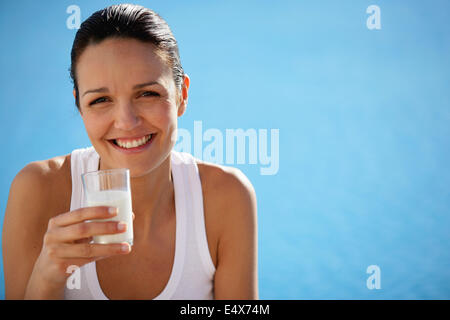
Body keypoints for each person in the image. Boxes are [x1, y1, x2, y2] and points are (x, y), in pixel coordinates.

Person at [2, 4, 257, 300]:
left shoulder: (227, 197)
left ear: (182, 96)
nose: (126, 122)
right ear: (79, 107)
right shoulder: (37, 190)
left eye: (148, 94)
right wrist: (47, 276)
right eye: (100, 100)